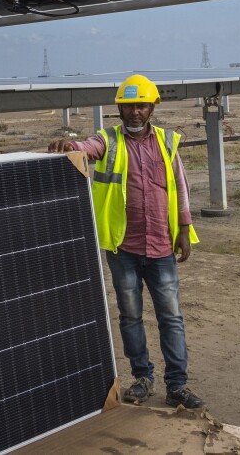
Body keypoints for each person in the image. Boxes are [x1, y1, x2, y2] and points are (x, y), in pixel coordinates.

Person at [48, 74, 203, 409]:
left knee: (171, 317)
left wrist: (184, 229)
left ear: (152, 108)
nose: (135, 112)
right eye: (129, 105)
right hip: (123, 248)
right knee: (130, 316)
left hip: (161, 246)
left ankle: (177, 386)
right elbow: (88, 148)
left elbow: (180, 186)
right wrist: (72, 147)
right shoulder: (109, 140)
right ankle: (142, 378)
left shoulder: (165, 141)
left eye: (142, 105)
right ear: (119, 108)